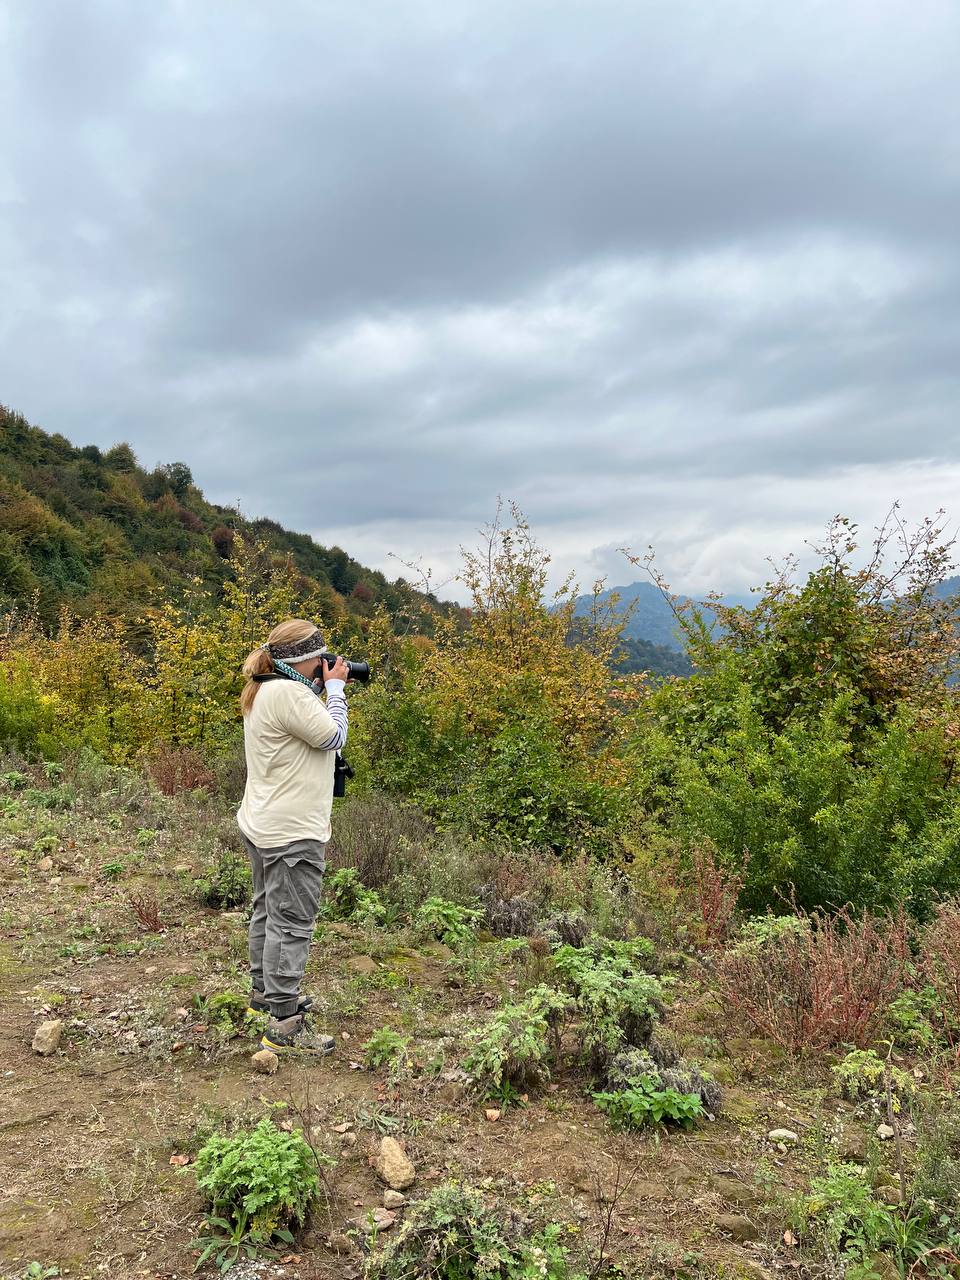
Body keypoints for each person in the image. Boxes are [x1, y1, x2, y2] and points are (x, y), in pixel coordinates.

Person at [237, 618, 350, 1054]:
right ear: (306, 659)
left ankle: (264, 995)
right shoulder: (290, 693)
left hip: (263, 824)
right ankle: (284, 1022)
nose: (326, 664)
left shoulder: (267, 687)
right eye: (320, 658)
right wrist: (336, 690)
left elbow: (303, 726)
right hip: (292, 832)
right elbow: (333, 737)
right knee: (293, 921)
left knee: (268, 909)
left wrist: (320, 690)